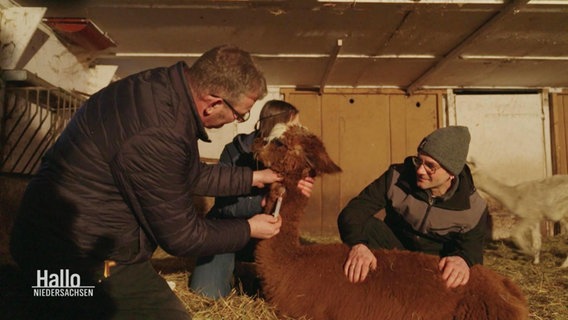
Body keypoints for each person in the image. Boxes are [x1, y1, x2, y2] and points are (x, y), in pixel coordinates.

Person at [9, 45, 283, 319]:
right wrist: (249, 228)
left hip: (66, 238)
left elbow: (188, 174)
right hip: (75, 259)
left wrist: (255, 178)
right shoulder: (160, 132)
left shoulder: (161, 88)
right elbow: (183, 237)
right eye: (240, 114)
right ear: (213, 103)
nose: (239, 120)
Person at [189, 100, 314, 299]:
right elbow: (224, 207)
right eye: (294, 125)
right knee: (205, 294)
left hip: (269, 233)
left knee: (295, 289)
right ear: (277, 126)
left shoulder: (294, 156)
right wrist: (263, 202)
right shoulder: (235, 151)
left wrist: (297, 194)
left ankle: (254, 281)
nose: (298, 131)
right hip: (228, 232)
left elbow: (289, 208)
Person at [338, 126, 488, 289]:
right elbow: (352, 212)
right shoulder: (395, 177)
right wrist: (358, 245)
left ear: (451, 172)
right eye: (419, 161)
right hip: (394, 251)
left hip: (434, 264)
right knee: (366, 226)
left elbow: (472, 250)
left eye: (430, 166)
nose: (420, 170)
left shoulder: (473, 207)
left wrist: (463, 260)